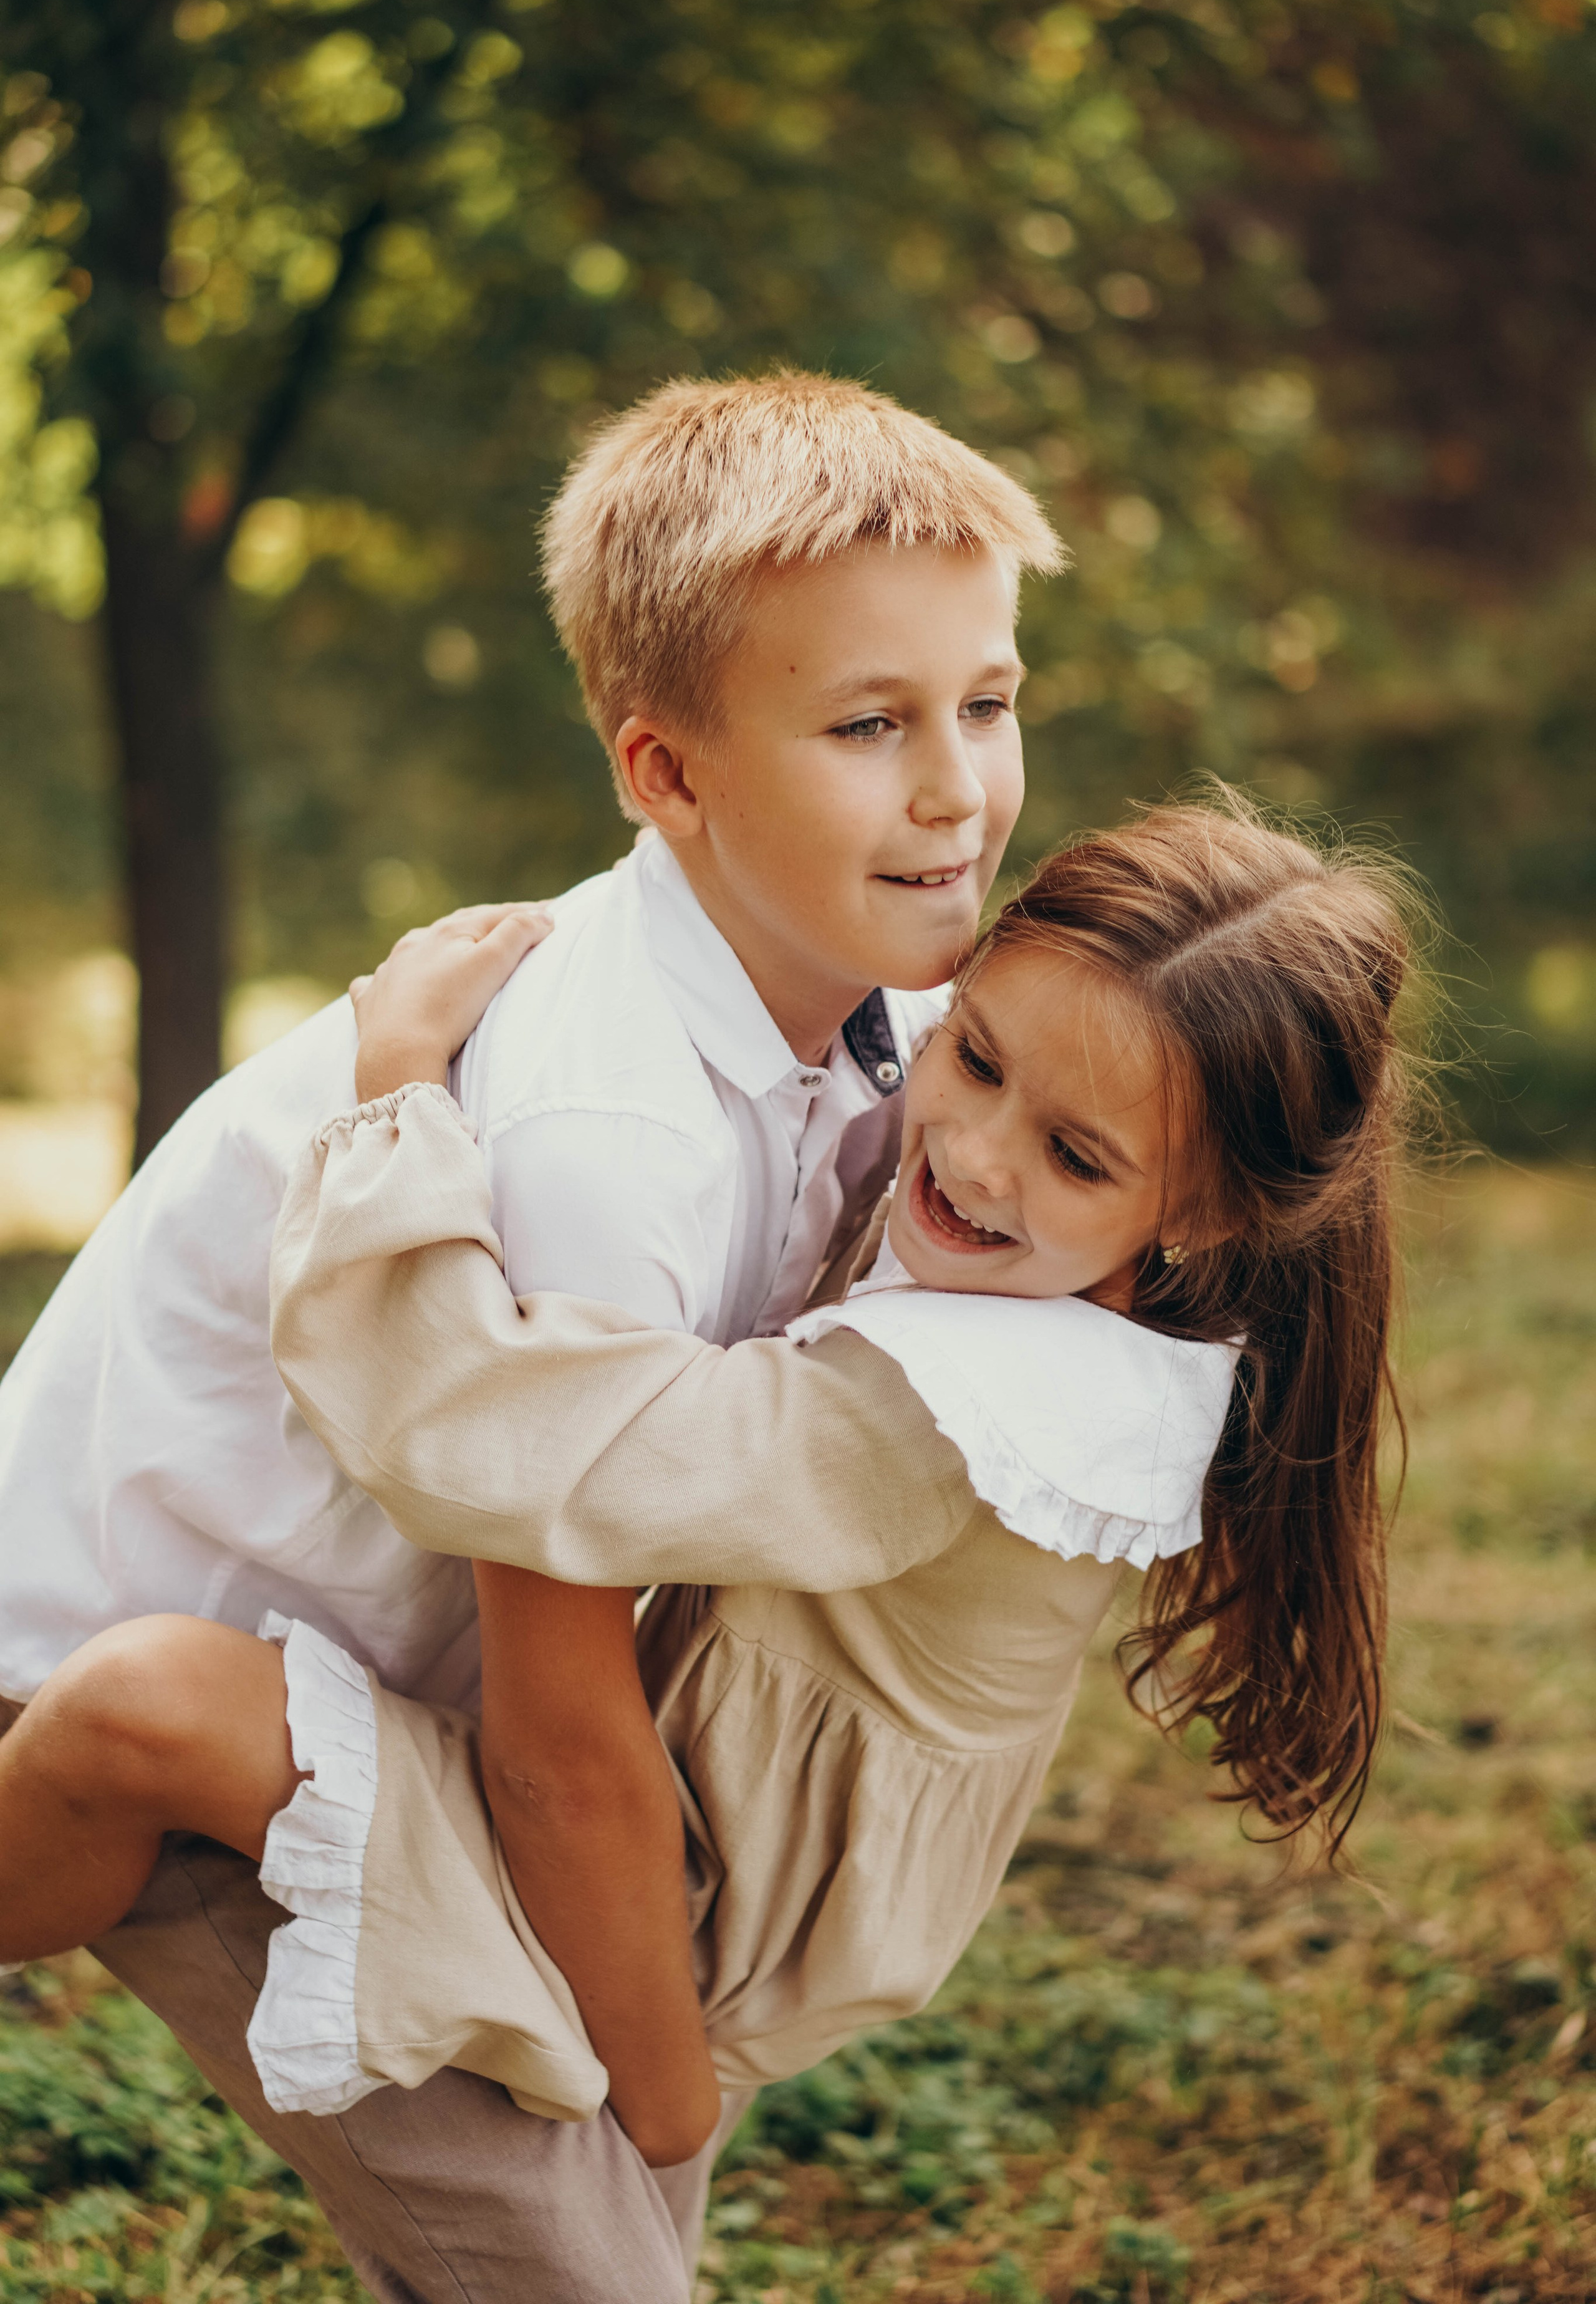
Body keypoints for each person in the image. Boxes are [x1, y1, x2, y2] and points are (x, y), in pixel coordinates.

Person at [0, 802, 1413, 2282]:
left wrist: (398, 1081)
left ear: (1198, 1210)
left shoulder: (961, 1408)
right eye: (977, 1056)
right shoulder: (1066, 1269)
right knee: (153, 1713)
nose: (976, 1156)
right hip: (652, 1872)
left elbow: (502, 1440)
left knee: (153, 1714)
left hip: (680, 1938)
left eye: (1070, 1154)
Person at [0, 373, 1060, 2300]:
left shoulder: (879, 1013)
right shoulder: (610, 1130)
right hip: (174, 1706)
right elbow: (570, 1736)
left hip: (391, 1698)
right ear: (666, 774)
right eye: (867, 726)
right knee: (591, 2256)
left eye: (985, 702)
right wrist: (666, 2111)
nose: (954, 788)